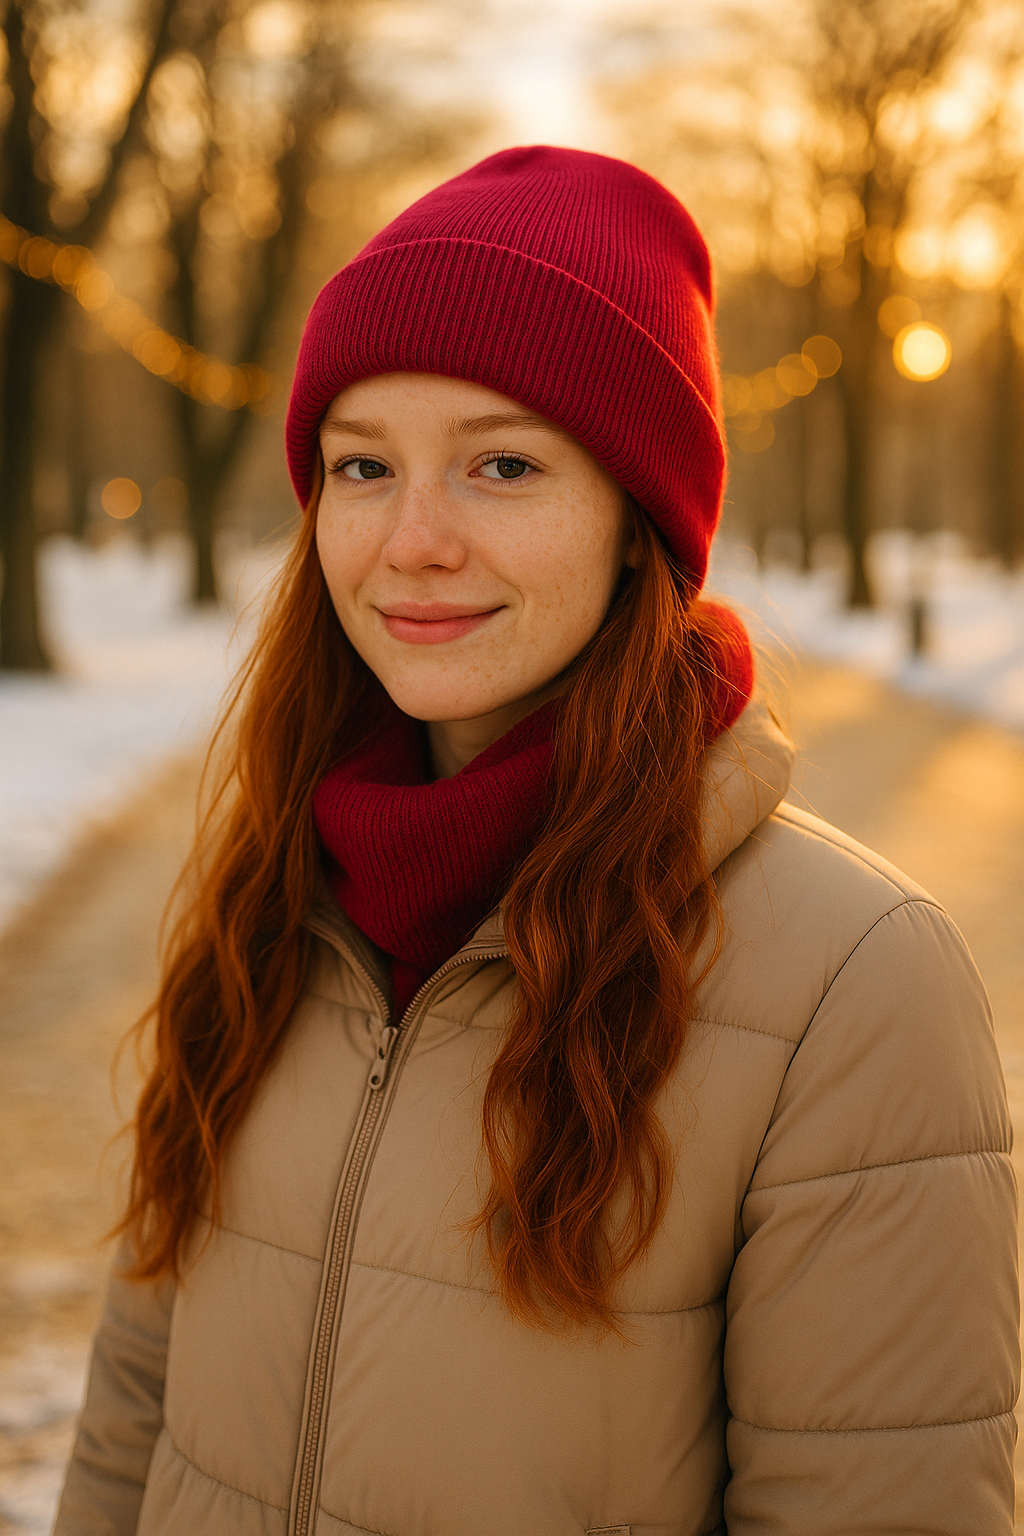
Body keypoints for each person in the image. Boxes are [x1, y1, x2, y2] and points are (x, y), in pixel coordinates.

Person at [55, 146, 1017, 1536]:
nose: (414, 540)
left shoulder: (855, 988)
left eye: (504, 464)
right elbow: (135, 1414)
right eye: (362, 466)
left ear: (638, 522)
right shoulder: (273, 893)